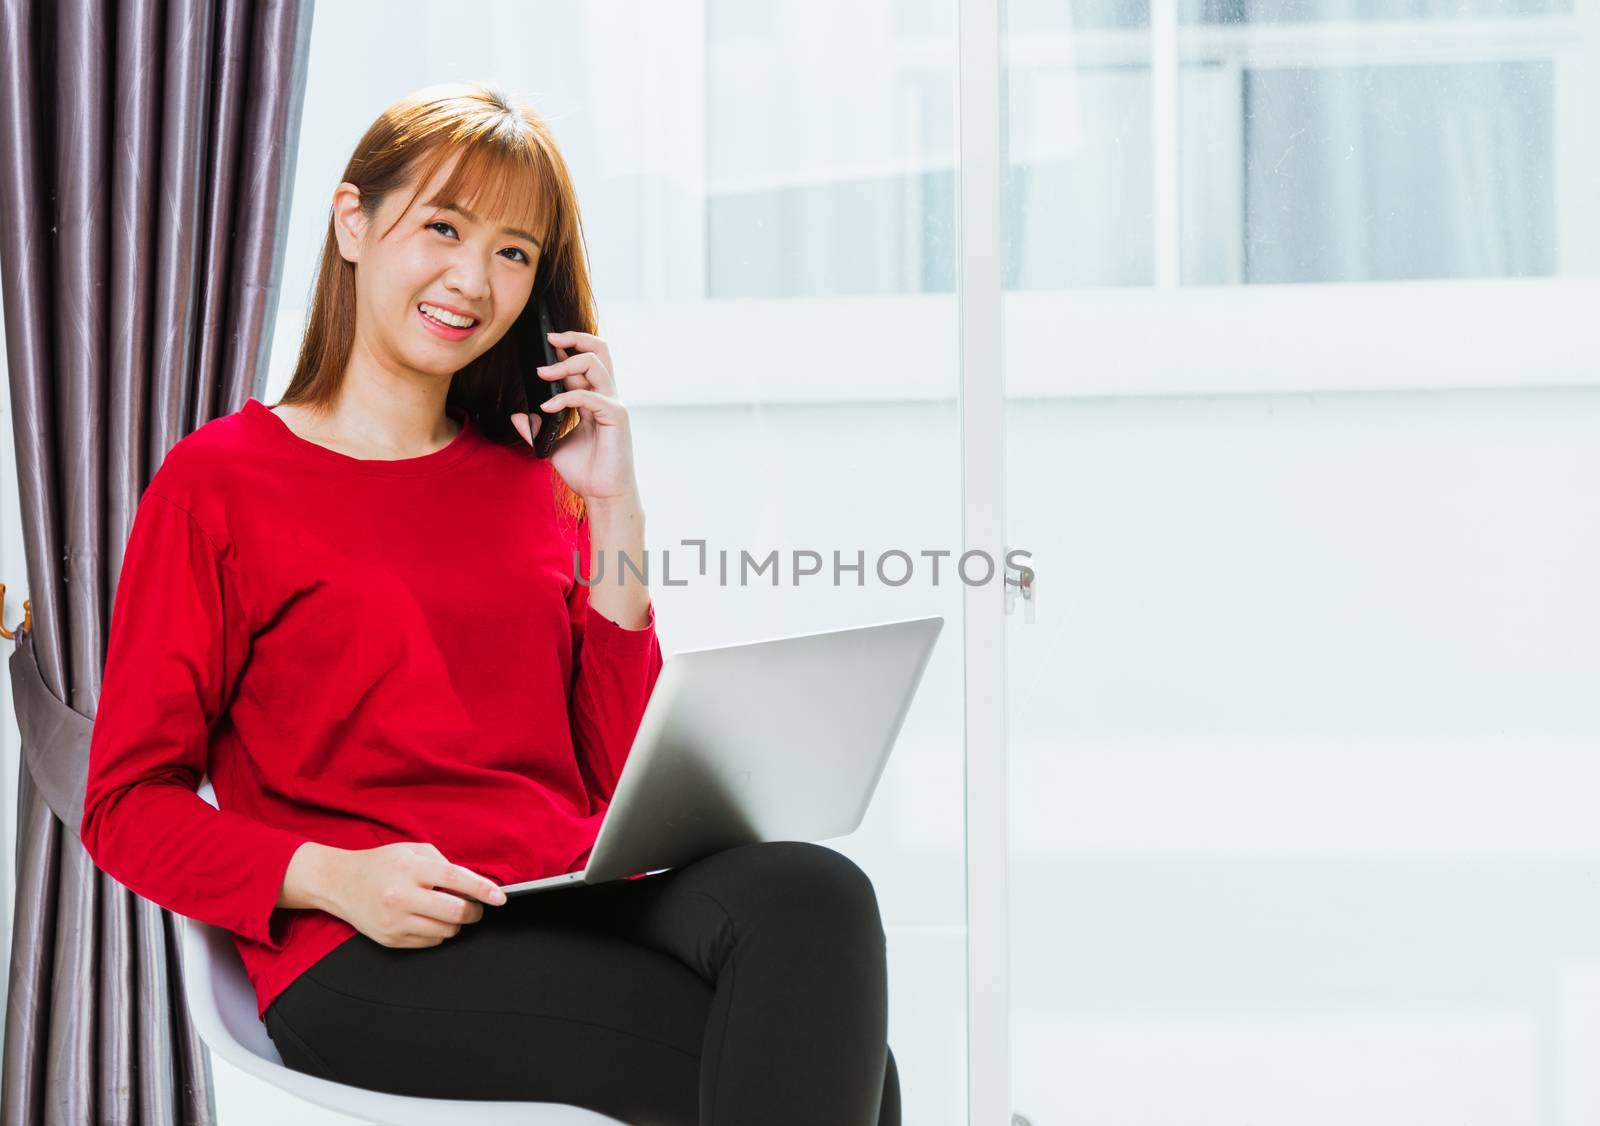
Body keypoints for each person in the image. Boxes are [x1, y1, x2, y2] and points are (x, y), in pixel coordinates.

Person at [79, 81, 900, 1125]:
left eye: (514, 251)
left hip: (564, 891)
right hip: (371, 943)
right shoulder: (219, 481)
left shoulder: (530, 476)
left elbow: (616, 769)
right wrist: (333, 875)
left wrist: (613, 510)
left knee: (815, 894)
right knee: (841, 1077)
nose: (473, 277)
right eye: (443, 227)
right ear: (352, 223)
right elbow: (125, 803)